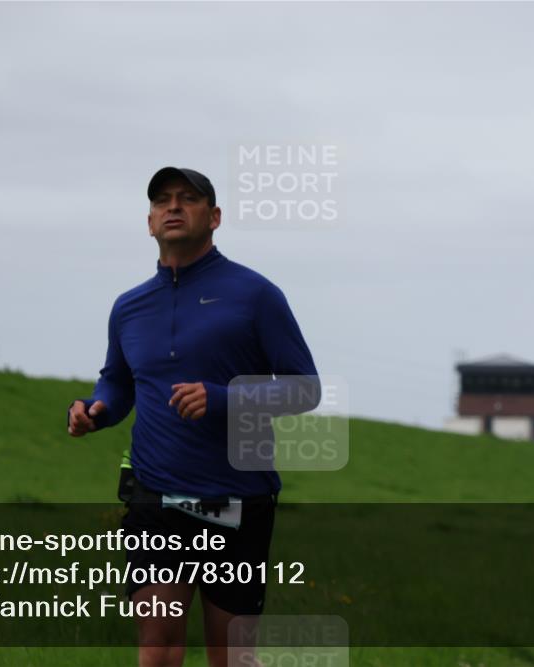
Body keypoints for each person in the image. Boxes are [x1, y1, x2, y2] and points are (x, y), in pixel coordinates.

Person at [67, 167, 320, 667]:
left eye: (188, 198)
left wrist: (223, 399)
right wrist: (97, 409)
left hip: (237, 497)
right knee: (158, 649)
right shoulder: (128, 307)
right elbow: (117, 381)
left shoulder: (255, 295)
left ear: (215, 216)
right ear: (150, 222)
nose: (173, 207)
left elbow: (304, 388)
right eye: (162, 200)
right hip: (155, 495)